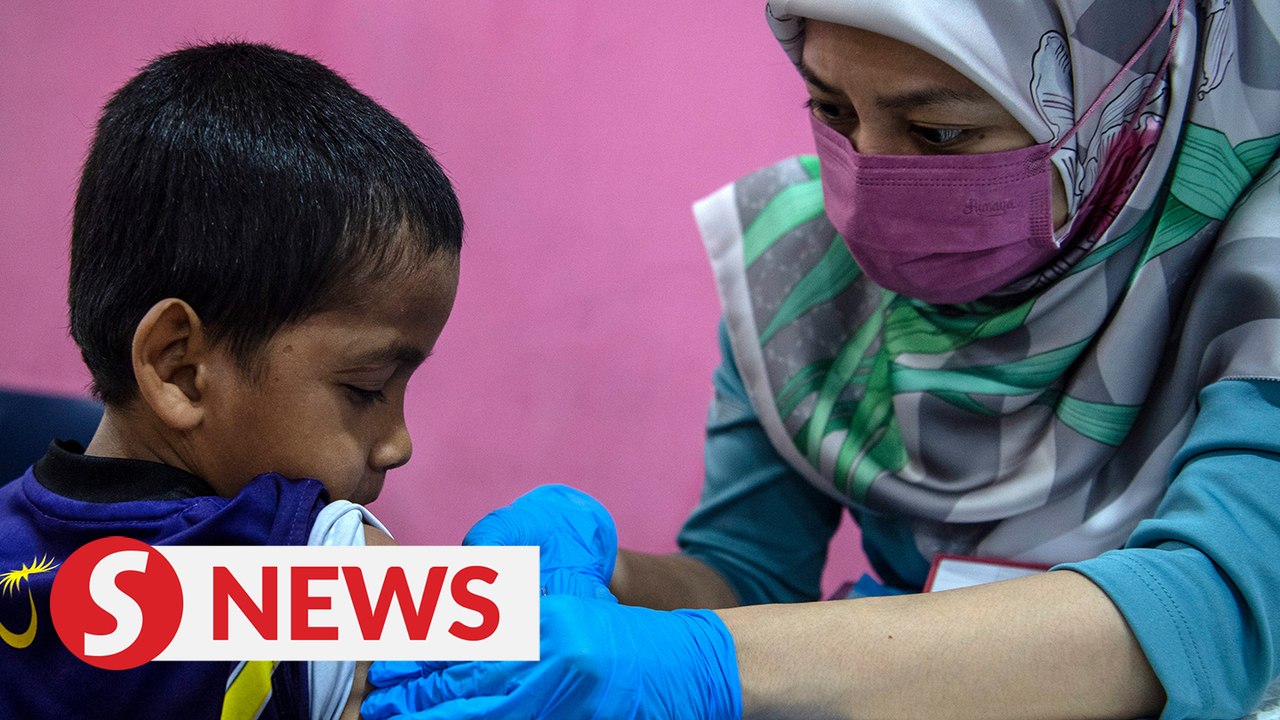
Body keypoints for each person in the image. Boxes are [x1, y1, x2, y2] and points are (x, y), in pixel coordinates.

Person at [362, 1, 1280, 719]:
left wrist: (706, 669)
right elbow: (753, 582)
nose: (869, 183)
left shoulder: (1257, 255)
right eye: (832, 110)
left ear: (1120, 107)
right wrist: (604, 579)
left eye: (942, 134)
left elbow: (1213, 614)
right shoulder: (800, 266)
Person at [0, 42, 462, 720]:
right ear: (181, 370)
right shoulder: (313, 569)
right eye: (366, 389)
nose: (397, 443)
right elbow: (535, 633)